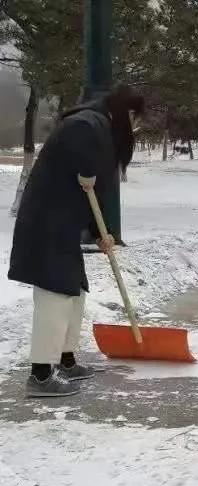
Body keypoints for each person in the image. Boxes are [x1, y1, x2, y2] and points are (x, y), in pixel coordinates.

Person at [8, 85, 144, 397]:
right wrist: (85, 167)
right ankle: (40, 376)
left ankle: (66, 360)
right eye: (135, 118)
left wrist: (100, 233)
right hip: (47, 223)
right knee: (55, 295)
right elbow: (82, 168)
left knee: (75, 291)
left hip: (63, 224)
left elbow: (93, 192)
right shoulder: (86, 125)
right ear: (127, 112)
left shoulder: (99, 125)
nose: (135, 126)